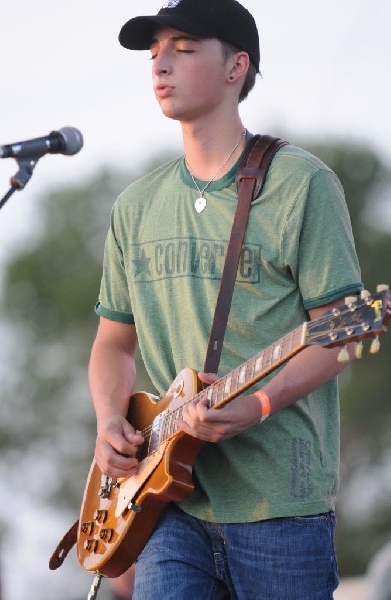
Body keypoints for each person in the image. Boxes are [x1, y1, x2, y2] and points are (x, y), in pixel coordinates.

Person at [90, 0, 363, 598]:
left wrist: (259, 405)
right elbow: (113, 341)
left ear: (237, 66)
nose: (160, 63)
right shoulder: (135, 205)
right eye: (155, 50)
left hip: (280, 508)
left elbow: (342, 332)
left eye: (184, 49)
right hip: (165, 504)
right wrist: (110, 420)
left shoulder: (302, 184)